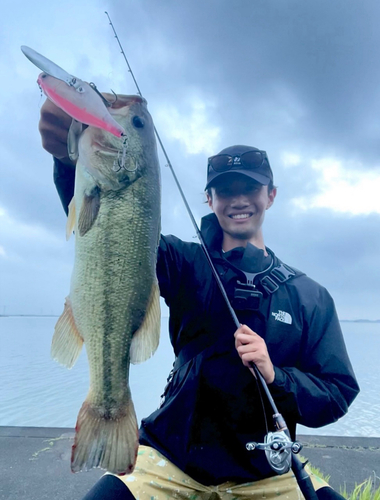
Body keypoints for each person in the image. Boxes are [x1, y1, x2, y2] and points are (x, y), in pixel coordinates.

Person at [39, 98, 359, 500]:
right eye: (225, 190)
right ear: (209, 199)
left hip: (266, 474)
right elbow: (114, 239)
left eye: (250, 187)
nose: (238, 199)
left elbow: (337, 392)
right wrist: (67, 162)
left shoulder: (310, 296)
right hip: (172, 459)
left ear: (271, 195)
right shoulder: (183, 262)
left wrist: (277, 374)